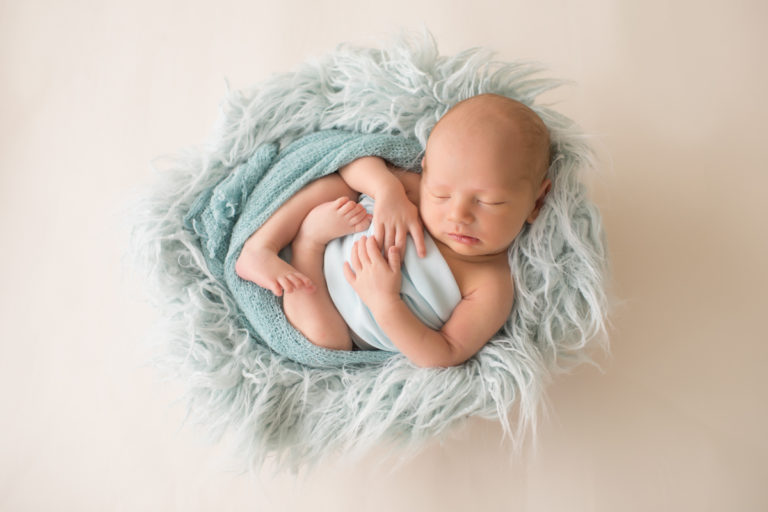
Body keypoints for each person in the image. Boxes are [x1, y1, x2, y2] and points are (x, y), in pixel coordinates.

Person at [235, 94, 552, 367]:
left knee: (326, 343)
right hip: (344, 221)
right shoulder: (416, 195)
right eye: (441, 194)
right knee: (340, 184)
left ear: (536, 202)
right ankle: (261, 246)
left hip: (339, 315)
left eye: (490, 202)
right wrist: (387, 190)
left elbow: (446, 352)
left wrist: (384, 302)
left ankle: (307, 244)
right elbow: (351, 161)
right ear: (426, 172)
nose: (458, 215)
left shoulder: (491, 285)